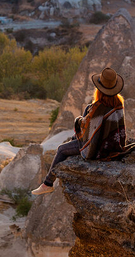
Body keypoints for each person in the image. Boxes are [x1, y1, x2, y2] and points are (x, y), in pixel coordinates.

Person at [32, 67, 127, 195]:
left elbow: (87, 129)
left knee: (61, 149)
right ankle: (75, 140)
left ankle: (47, 184)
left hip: (98, 148)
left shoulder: (98, 108)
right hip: (114, 145)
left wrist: (78, 121)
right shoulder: (118, 103)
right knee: (88, 109)